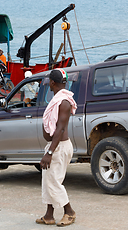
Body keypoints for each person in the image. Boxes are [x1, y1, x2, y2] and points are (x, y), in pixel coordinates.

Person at [36, 68, 77, 226]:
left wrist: (50, 152)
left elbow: (59, 129)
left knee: (53, 181)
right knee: (47, 180)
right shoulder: (58, 100)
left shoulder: (64, 102)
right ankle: (49, 215)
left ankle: (69, 212)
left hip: (59, 147)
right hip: (54, 145)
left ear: (52, 83)